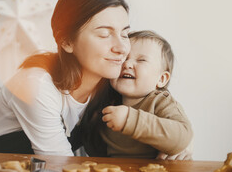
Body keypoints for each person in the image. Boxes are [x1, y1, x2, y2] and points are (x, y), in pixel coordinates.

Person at [0, 0, 131, 156]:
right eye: (104, 34)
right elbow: (61, 164)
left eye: (125, 34)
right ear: (67, 42)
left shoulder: (114, 83)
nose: (121, 48)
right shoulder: (36, 84)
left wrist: (163, 147)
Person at [80, 30, 193, 159]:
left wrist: (131, 119)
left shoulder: (160, 102)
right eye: (123, 58)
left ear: (161, 79)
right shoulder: (106, 103)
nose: (127, 64)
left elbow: (183, 136)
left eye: (141, 60)